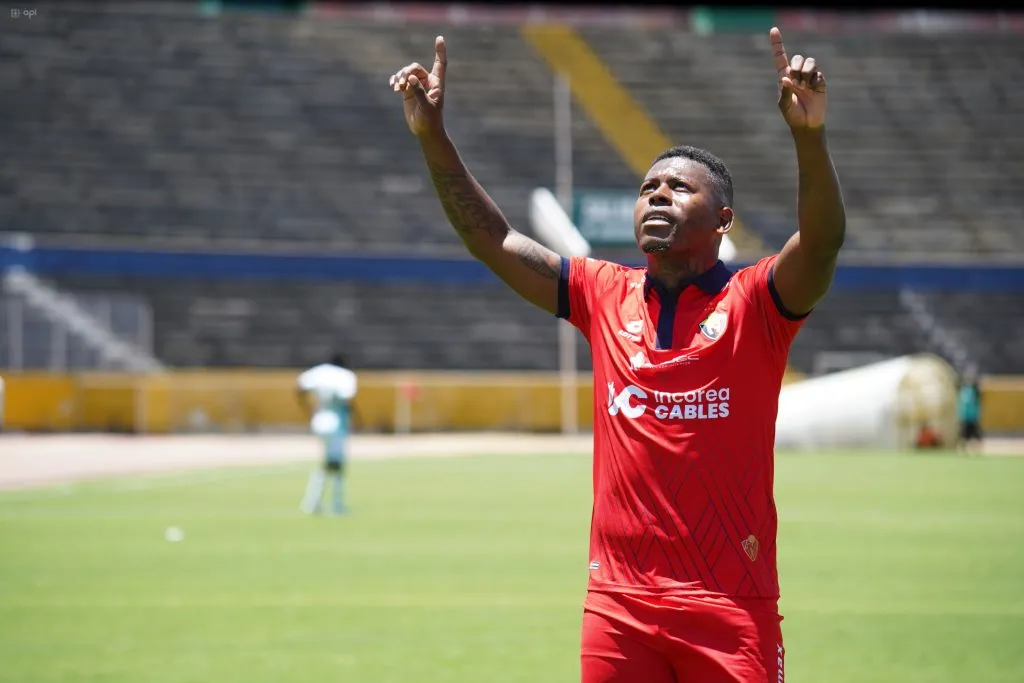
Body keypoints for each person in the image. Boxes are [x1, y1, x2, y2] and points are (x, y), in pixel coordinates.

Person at [390, 26, 844, 683]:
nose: (657, 193)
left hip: (729, 608)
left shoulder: (757, 304)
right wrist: (433, 137)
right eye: (648, 186)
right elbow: (492, 240)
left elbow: (823, 243)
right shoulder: (602, 293)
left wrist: (809, 136)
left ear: (723, 219)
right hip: (619, 607)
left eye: (678, 188)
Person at [296, 353, 358, 515]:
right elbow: (347, 399)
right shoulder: (345, 376)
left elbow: (299, 388)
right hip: (336, 421)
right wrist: (357, 417)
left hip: (319, 418)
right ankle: (333, 503)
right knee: (335, 464)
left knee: (329, 463)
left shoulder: (318, 372)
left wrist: (307, 408)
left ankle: (315, 502)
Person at [957, 371, 983, 455]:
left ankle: (977, 449)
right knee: (964, 435)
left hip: (973, 417)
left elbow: (978, 389)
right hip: (965, 417)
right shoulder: (962, 390)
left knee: (975, 434)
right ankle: (963, 449)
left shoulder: (975, 391)